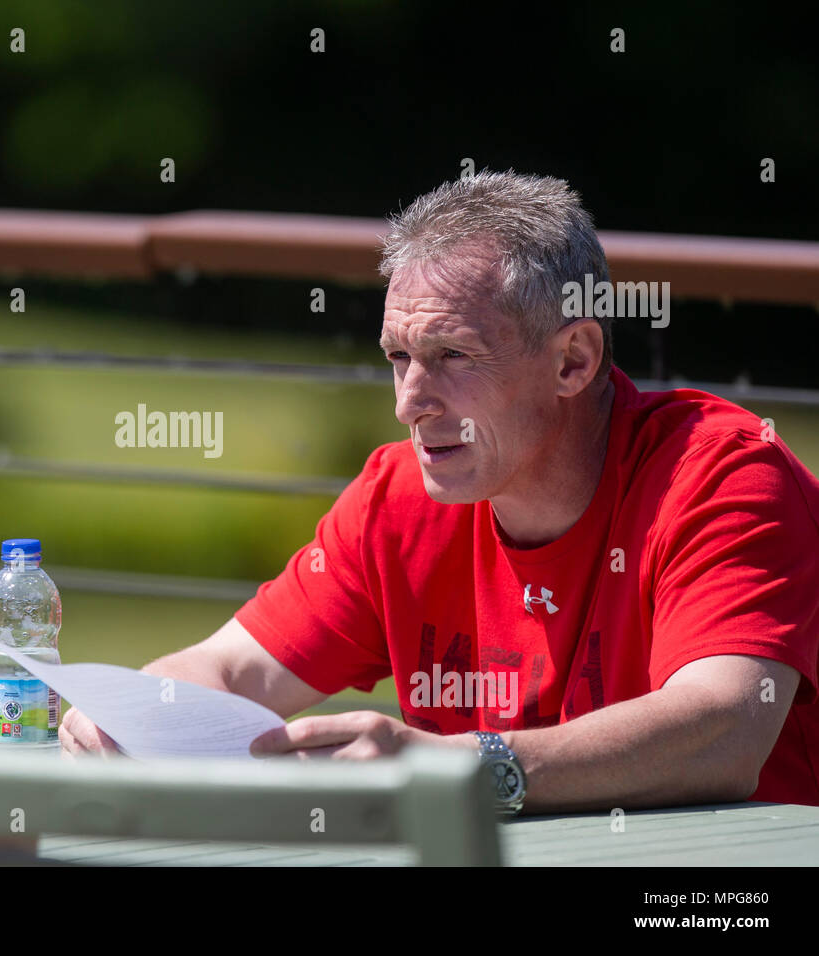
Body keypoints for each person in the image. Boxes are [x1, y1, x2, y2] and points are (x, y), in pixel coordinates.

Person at [63, 170, 819, 814]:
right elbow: (230, 670)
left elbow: (725, 728)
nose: (409, 403)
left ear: (573, 360)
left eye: (452, 355)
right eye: (399, 357)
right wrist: (134, 717)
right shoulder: (399, 497)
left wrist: (463, 769)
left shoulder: (722, 473)